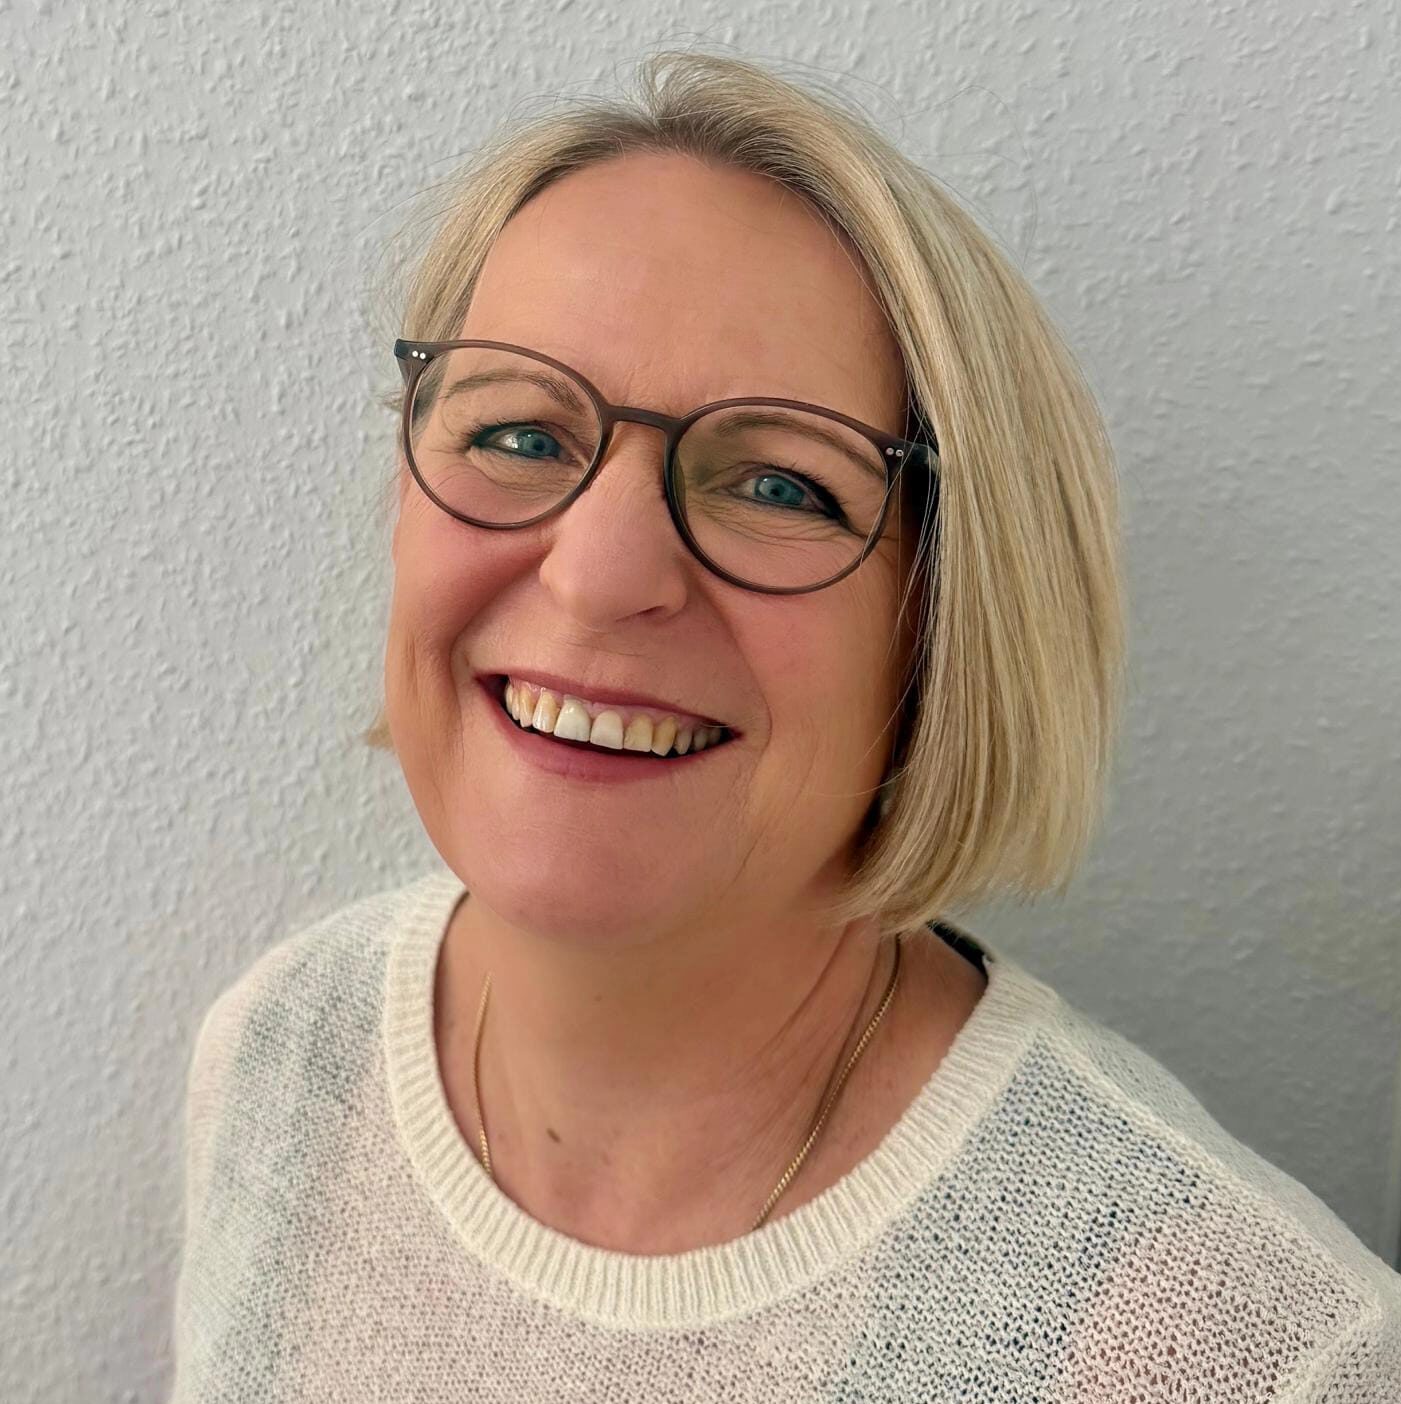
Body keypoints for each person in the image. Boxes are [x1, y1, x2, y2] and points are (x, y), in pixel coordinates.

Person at [168, 50, 1401, 1402]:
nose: (598, 575)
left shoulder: (1247, 1354)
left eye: (778, 484)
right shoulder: (289, 1051)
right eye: (520, 434)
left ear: (949, 625)